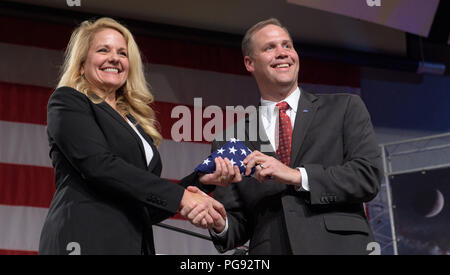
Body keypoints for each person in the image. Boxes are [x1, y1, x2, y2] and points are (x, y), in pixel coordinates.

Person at [188, 18, 382, 254]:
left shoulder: (344, 108)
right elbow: (238, 224)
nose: (282, 53)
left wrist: (297, 175)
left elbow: (367, 177)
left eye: (287, 46)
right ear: (249, 63)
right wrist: (220, 223)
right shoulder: (232, 139)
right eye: (270, 48)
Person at [38, 17, 226, 255]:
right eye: (103, 50)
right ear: (82, 63)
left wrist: (200, 181)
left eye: (122, 53)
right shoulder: (68, 100)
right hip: (83, 240)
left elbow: (143, 204)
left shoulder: (134, 122)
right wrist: (181, 198)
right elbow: (99, 165)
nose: (115, 58)